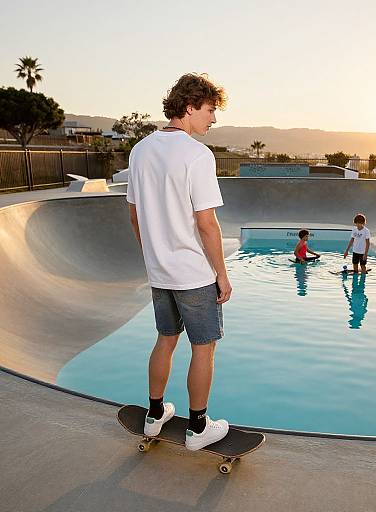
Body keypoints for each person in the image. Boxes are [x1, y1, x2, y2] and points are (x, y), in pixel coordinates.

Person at [126, 73, 232, 451]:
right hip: (192, 274)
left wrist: (153, 255)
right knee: (203, 347)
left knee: (166, 339)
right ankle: (198, 428)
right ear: (189, 107)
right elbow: (207, 224)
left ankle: (155, 415)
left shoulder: (139, 151)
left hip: (159, 273)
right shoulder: (197, 155)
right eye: (209, 110)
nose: (213, 119)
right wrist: (221, 273)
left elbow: (135, 215)